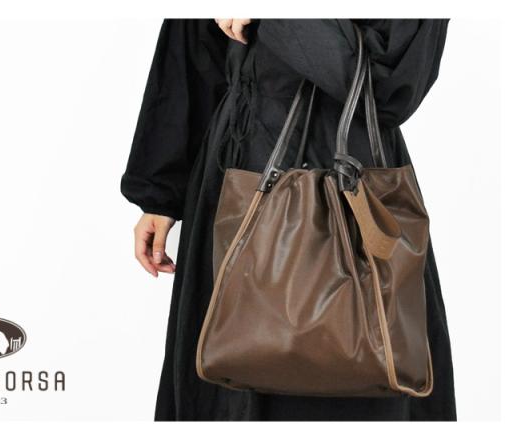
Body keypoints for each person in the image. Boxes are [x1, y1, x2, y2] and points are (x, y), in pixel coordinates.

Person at [121, 19, 456, 421]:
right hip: (234, 177)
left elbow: (392, 82)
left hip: (352, 193)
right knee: (225, 388)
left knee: (358, 379)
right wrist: (161, 190)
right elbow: (193, 41)